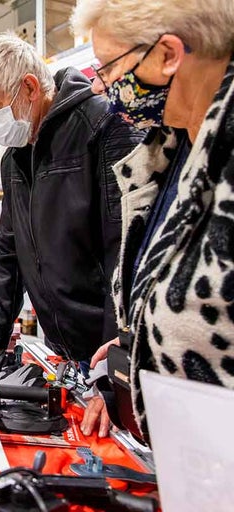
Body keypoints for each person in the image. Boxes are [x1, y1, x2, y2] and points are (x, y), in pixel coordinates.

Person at [71, 0, 234, 441]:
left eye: (108, 66)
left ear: (167, 55)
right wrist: (134, 343)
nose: (104, 85)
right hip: (184, 455)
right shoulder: (167, 154)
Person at [0, 34, 144, 368]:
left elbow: (126, 249)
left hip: (111, 346)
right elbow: (10, 250)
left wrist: (115, 362)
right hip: (62, 347)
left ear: (30, 87)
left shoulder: (102, 125)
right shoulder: (14, 159)